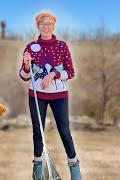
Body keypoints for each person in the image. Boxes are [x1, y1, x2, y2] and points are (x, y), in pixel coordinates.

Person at [19, 12, 81, 180]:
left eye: (49, 24)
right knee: (38, 132)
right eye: (42, 23)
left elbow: (70, 72)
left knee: (64, 131)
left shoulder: (62, 46)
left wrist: (53, 74)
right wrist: (26, 65)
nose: (46, 26)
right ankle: (38, 169)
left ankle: (74, 167)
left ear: (54, 26)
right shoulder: (31, 47)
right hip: (37, 95)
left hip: (59, 95)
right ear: (38, 26)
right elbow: (25, 76)